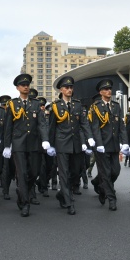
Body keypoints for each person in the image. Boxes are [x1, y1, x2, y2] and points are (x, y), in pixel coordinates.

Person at [3, 74, 49, 217]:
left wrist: (45, 139)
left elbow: (41, 123)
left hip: (34, 144)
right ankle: (24, 203)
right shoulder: (12, 104)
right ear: (18, 88)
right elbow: (8, 126)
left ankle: (22, 191)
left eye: (27, 84)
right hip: (18, 144)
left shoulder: (35, 104)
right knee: (22, 174)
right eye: (23, 85)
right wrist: (7, 145)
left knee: (34, 173)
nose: (26, 87)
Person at [48, 76, 92, 215]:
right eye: (66, 87)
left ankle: (62, 194)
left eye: (71, 87)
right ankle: (69, 202)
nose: (69, 89)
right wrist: (51, 145)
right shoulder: (55, 106)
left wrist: (89, 138)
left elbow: (84, 123)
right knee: (64, 173)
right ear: (61, 90)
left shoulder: (77, 105)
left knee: (75, 172)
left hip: (76, 144)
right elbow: (51, 127)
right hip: (61, 144)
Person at [89, 79, 129, 211]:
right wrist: (99, 144)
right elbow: (95, 128)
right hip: (102, 146)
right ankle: (112, 199)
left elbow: (121, 126)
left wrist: (125, 142)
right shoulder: (96, 107)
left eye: (110, 89)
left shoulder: (116, 106)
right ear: (101, 92)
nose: (108, 91)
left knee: (115, 171)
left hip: (114, 145)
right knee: (105, 172)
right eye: (105, 89)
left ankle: (101, 187)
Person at [0, 95, 15, 200]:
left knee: (11, 169)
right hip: (1, 146)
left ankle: (6, 186)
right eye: (3, 105)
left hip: (13, 145)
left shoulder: (14, 114)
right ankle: (5, 190)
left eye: (7, 105)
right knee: (4, 169)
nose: (5, 107)